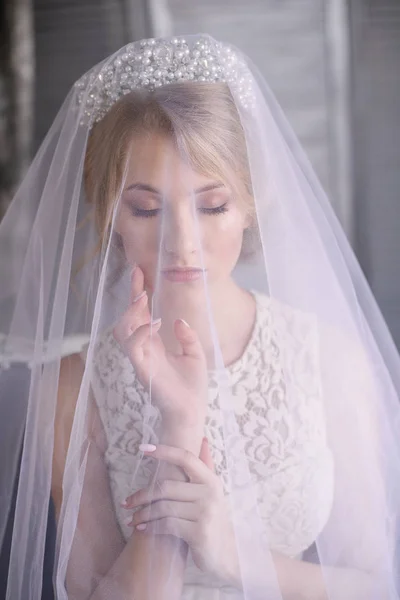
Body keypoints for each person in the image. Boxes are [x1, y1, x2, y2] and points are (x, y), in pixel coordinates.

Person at [0, 34, 399, 600]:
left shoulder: (329, 360)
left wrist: (234, 556)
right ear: (111, 213)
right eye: (146, 208)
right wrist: (180, 429)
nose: (181, 242)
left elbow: (375, 585)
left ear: (250, 204)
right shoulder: (68, 391)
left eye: (212, 206)